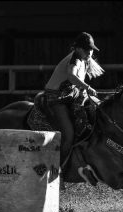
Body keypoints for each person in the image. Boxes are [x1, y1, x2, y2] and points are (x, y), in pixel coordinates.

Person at [44, 32, 104, 169]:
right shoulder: (75, 59)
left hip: (68, 95)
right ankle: (57, 170)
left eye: (91, 49)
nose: (90, 52)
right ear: (77, 48)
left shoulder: (82, 59)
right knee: (68, 135)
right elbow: (71, 76)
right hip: (56, 98)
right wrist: (87, 87)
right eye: (87, 49)